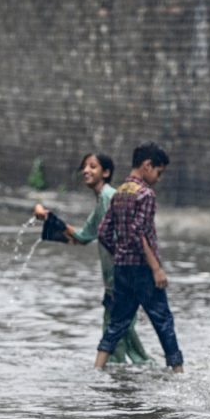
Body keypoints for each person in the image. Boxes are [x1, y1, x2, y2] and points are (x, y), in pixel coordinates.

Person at [34, 153, 150, 365]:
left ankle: (147, 369)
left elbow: (123, 238)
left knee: (119, 330)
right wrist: (49, 219)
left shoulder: (109, 197)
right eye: (84, 167)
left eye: (92, 167)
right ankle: (122, 377)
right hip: (115, 281)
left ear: (105, 172)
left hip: (123, 278)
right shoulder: (102, 202)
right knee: (118, 332)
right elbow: (83, 236)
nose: (86, 171)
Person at [95, 142, 184, 372]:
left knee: (117, 322)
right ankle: (179, 372)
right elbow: (139, 232)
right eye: (158, 172)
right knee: (163, 321)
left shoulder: (120, 192)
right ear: (147, 165)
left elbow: (103, 232)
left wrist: (119, 252)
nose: (158, 178)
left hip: (122, 268)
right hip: (143, 269)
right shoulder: (145, 195)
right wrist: (156, 268)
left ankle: (97, 368)